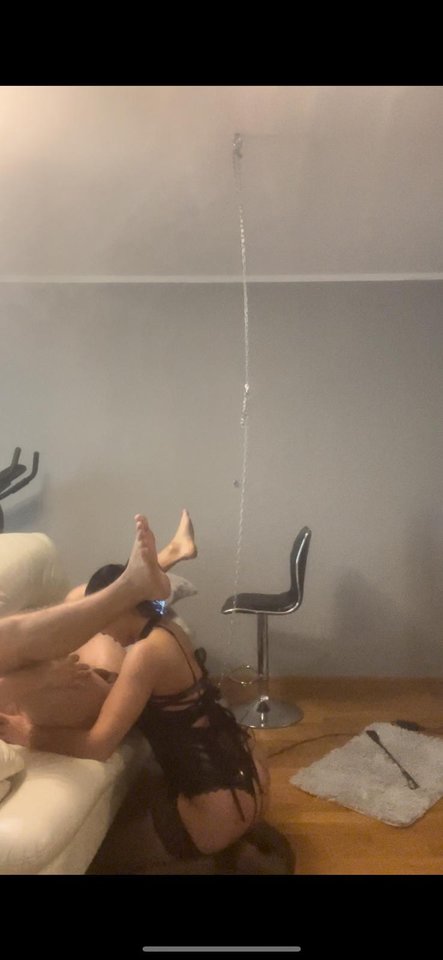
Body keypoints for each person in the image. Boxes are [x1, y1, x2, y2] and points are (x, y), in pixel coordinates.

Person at [0, 513, 295, 873]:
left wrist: (29, 734)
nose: (102, 632)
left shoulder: (144, 655)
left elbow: (97, 745)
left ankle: (216, 858)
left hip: (219, 805)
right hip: (249, 778)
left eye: (103, 619)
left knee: (101, 861)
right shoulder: (168, 628)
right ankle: (228, 847)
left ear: (125, 608)